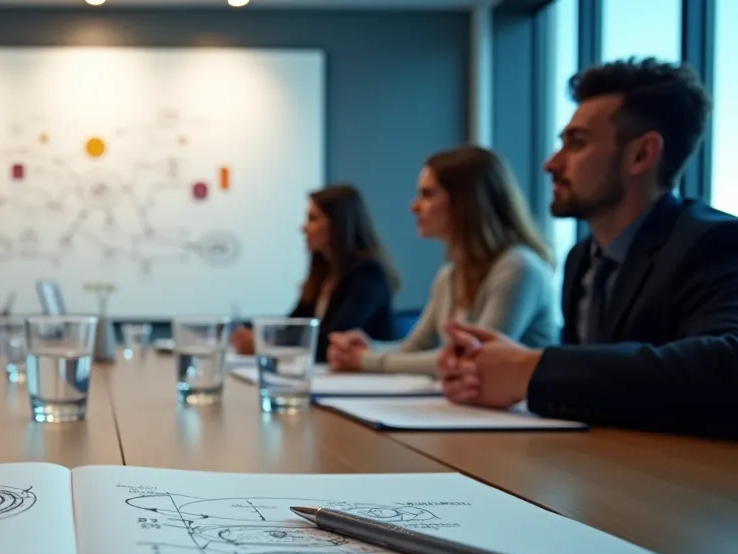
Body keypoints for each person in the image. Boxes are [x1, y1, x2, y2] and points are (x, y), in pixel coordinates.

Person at [542, 58, 738, 346]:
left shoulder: (714, 244)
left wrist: (534, 367)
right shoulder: (580, 260)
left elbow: (723, 360)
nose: (552, 164)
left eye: (577, 143)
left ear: (642, 155)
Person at [326, 146, 557, 375]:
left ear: (466, 202)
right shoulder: (450, 274)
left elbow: (473, 359)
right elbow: (415, 347)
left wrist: (366, 361)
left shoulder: (518, 267)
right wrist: (369, 348)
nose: (414, 206)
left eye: (427, 194)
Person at [437, 321, 738, 441]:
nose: (548, 178)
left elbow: (722, 370)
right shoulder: (583, 258)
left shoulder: (714, 239)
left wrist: (529, 370)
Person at [230, 185, 399, 361]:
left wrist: (263, 343)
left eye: (313, 219)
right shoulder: (323, 274)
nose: (304, 227)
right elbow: (294, 326)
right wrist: (255, 333)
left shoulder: (368, 275)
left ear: (338, 224)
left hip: (367, 382)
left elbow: (331, 341)